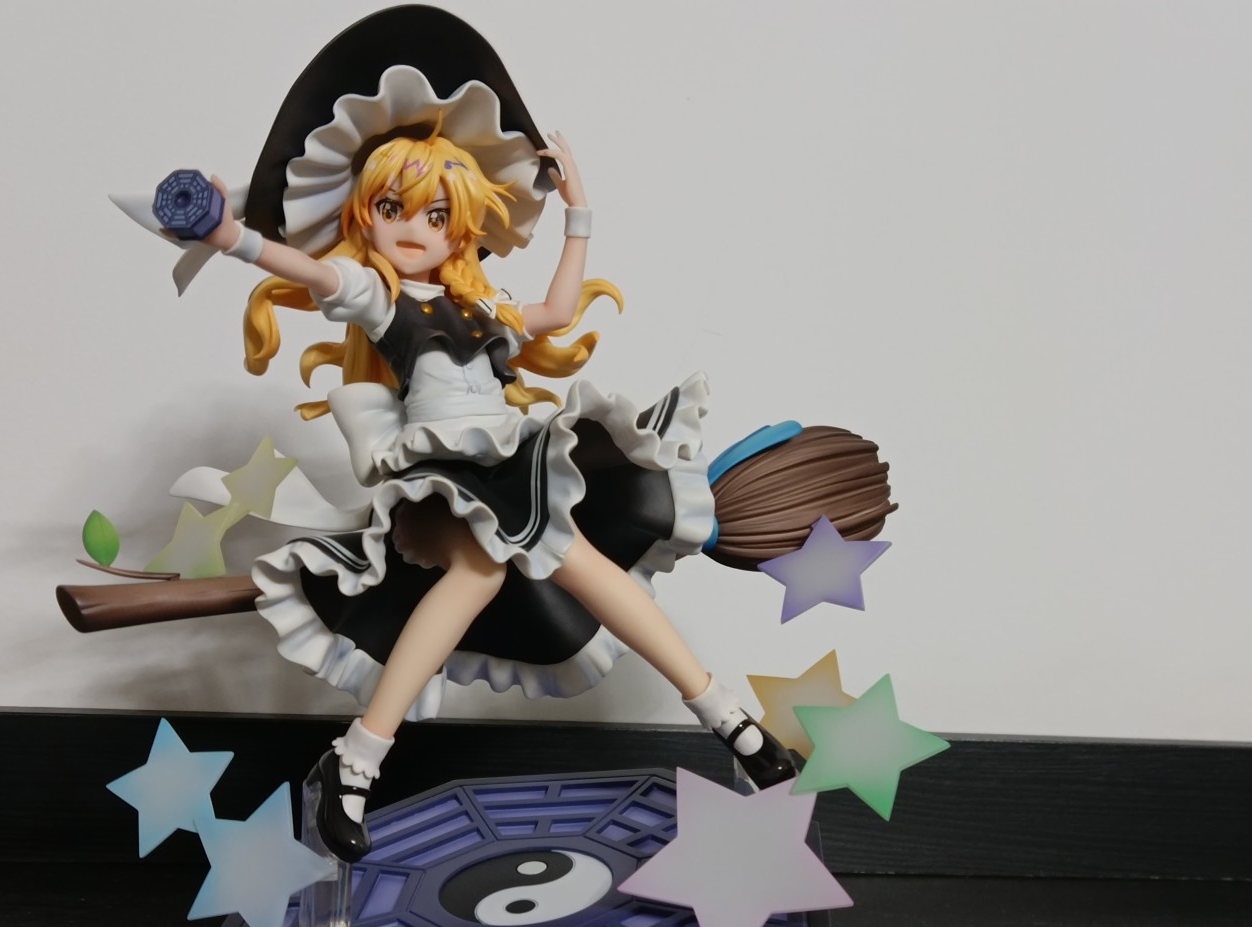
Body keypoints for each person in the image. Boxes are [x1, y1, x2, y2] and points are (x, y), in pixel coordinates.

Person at [178, 11, 796, 862]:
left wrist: (580, 212)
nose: (413, 228)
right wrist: (229, 237)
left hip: (511, 464)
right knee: (480, 570)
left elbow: (556, 310)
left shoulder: (481, 306)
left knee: (587, 568)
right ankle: (355, 764)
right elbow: (310, 269)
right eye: (392, 207)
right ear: (365, 212)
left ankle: (730, 722)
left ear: (459, 227)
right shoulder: (377, 295)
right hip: (442, 473)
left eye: (435, 215)